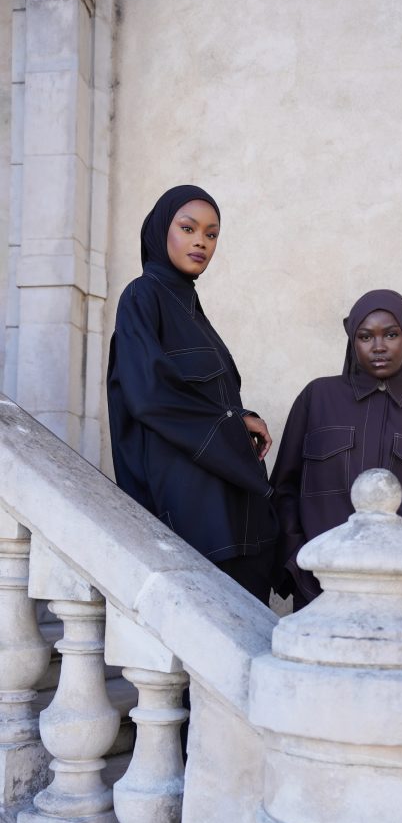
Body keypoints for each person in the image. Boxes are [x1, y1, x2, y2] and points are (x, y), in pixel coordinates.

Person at [107, 185, 277, 604]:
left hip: (232, 510)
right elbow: (148, 394)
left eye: (212, 234)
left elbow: (209, 400)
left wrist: (239, 418)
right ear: (160, 231)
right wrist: (232, 423)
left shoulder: (194, 314)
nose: (201, 241)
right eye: (188, 228)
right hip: (193, 514)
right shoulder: (143, 296)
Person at [271, 288, 402, 607]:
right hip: (319, 589)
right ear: (353, 341)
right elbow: (284, 489)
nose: (379, 347)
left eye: (391, 334)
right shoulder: (317, 398)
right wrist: (298, 561)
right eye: (366, 337)